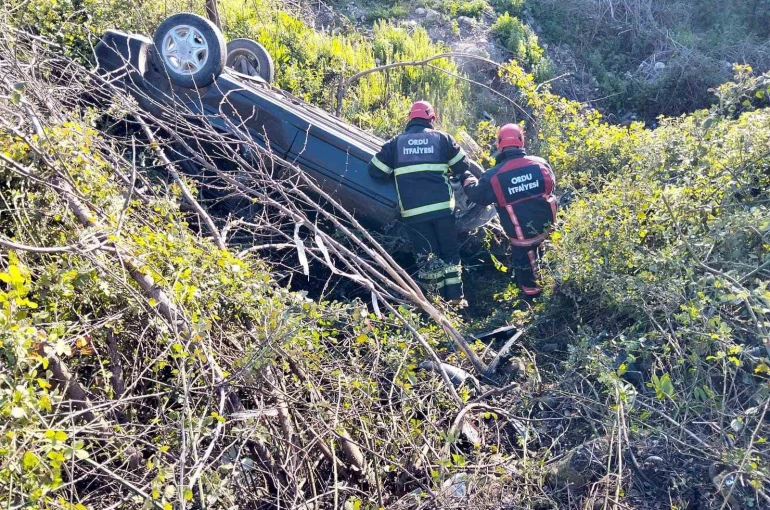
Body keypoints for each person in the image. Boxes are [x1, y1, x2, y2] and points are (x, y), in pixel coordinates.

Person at [368, 100, 475, 305]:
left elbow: (375, 171)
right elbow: (463, 165)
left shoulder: (395, 144)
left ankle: (435, 303)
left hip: (414, 213)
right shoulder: (442, 139)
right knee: (449, 253)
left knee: (427, 257)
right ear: (432, 118)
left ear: (410, 118)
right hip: (443, 210)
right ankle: (455, 299)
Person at [462, 124, 557, 298]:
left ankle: (532, 297)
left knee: (525, 264)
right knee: (544, 252)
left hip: (522, 236)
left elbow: (477, 196)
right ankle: (551, 283)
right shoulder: (540, 163)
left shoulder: (493, 176)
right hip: (549, 226)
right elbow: (551, 186)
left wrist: (466, 177)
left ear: (499, 144)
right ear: (521, 142)